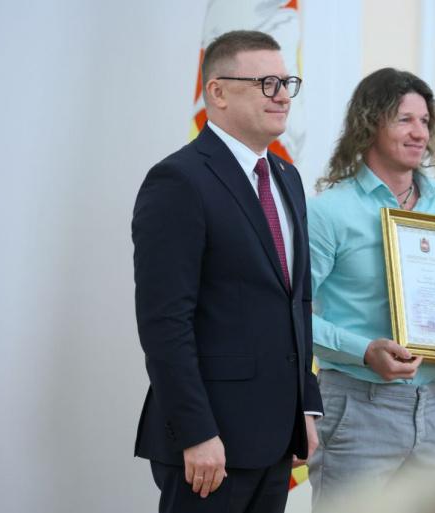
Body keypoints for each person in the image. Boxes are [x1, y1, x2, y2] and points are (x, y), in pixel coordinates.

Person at [132, 30, 322, 513]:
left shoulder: (287, 177)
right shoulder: (179, 180)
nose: (283, 96)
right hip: (209, 443)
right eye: (266, 83)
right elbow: (164, 322)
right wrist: (195, 432)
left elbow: (297, 300)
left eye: (287, 82)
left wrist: (305, 406)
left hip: (277, 437)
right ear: (216, 92)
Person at [306, 68, 435, 510]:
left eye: (425, 121)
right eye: (405, 120)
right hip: (358, 409)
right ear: (369, 124)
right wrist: (363, 351)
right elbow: (290, 314)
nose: (420, 133)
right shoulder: (328, 211)